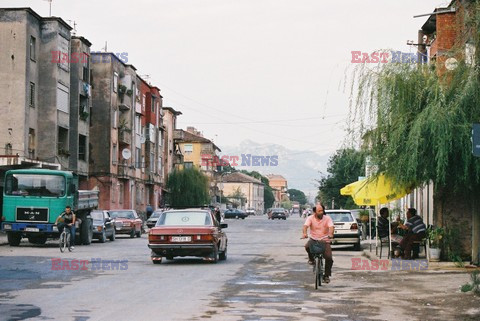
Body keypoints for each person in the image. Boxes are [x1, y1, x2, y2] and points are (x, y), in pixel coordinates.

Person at [302, 204, 335, 284]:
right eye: (319, 211)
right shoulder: (310, 218)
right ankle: (311, 259)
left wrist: (330, 234)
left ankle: (326, 276)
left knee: (329, 258)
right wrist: (305, 233)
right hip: (314, 239)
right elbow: (305, 226)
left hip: (325, 240)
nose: (321, 212)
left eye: (322, 210)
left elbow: (331, 227)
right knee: (307, 246)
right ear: (314, 212)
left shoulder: (327, 218)